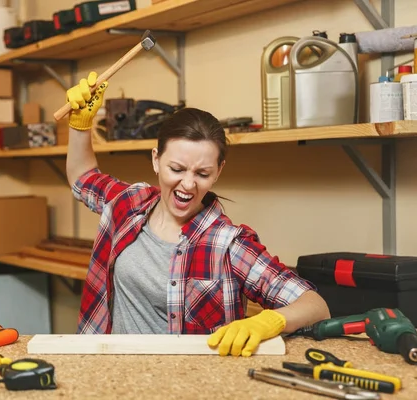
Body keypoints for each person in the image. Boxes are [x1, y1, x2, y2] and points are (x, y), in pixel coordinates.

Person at [65, 71, 331, 357]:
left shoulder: (228, 244)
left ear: (218, 171)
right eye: (176, 169)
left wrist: (270, 321)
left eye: (202, 173)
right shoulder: (128, 203)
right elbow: (83, 178)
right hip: (111, 372)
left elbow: (316, 306)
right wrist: (81, 124)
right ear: (156, 160)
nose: (188, 184)